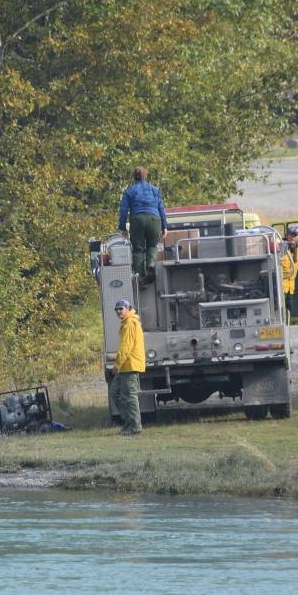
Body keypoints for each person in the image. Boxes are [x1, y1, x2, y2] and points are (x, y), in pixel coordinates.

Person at [118, 166, 167, 283]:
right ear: (145, 176)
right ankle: (151, 265)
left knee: (138, 250)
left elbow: (123, 210)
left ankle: (140, 277)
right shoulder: (155, 190)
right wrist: (164, 226)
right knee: (152, 246)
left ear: (134, 177)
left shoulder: (129, 191)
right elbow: (161, 208)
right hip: (154, 219)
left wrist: (122, 227)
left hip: (137, 219)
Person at [110, 298, 145, 436]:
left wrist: (116, 366)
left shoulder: (130, 323)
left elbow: (126, 348)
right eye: (116, 309)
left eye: (121, 308)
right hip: (125, 365)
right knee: (115, 392)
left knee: (130, 397)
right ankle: (129, 422)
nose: (118, 311)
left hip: (130, 365)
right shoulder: (126, 322)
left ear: (128, 308)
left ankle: (135, 426)